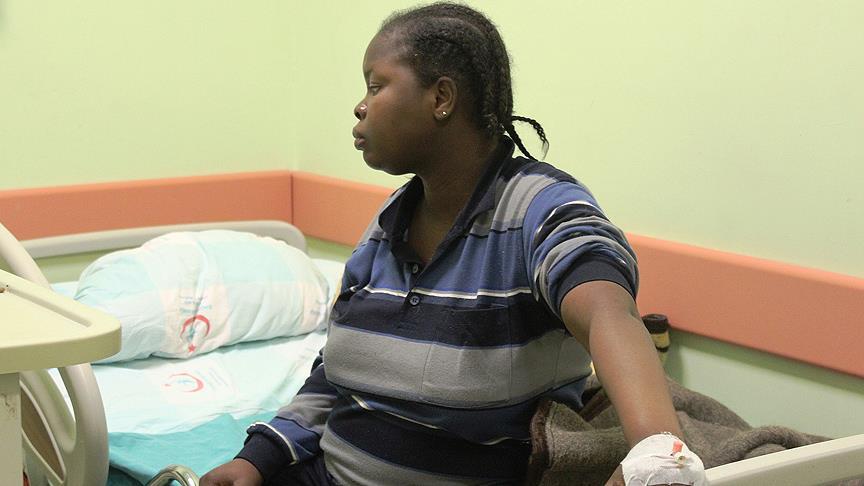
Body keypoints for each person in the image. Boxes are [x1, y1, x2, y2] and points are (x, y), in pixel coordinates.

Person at [202, 3, 706, 485]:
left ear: (441, 97)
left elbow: (607, 311)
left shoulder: (538, 207)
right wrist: (260, 457)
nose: (360, 105)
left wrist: (658, 448)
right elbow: (337, 372)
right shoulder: (389, 222)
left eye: (376, 85)